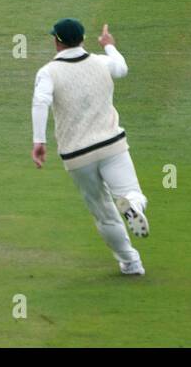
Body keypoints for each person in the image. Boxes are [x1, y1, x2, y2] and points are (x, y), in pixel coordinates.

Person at [32, 19, 149, 276]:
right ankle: (133, 205)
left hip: (77, 155)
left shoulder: (48, 72)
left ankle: (131, 262)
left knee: (105, 214)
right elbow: (121, 68)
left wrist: (39, 141)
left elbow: (40, 102)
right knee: (131, 192)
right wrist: (109, 46)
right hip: (111, 144)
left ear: (56, 41)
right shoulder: (101, 61)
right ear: (83, 39)